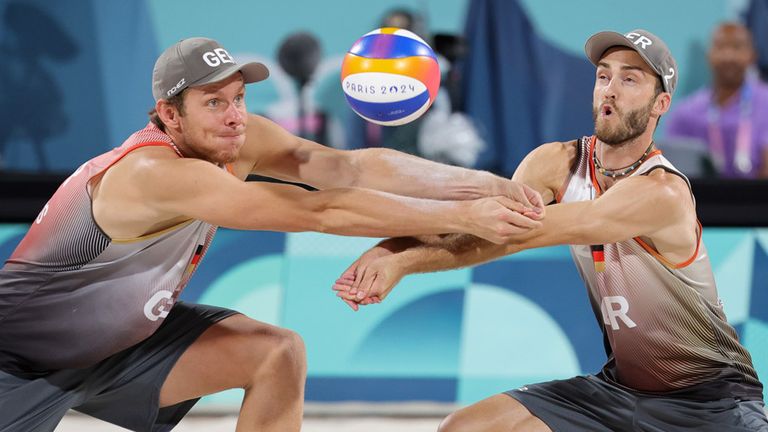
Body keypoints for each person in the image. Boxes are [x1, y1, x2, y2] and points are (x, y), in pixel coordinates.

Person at [0, 37, 545, 432]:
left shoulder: (235, 138)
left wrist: (483, 184)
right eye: (214, 102)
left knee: (275, 353)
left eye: (239, 97)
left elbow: (343, 169)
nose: (236, 116)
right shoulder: (153, 173)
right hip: (16, 362)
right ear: (169, 114)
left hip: (119, 348)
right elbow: (322, 212)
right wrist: (465, 218)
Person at [334, 29, 768, 431]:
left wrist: (404, 261)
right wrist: (392, 252)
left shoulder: (662, 193)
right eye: (603, 76)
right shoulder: (556, 162)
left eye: (630, 80)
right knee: (462, 428)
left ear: (661, 104)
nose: (610, 90)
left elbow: (521, 230)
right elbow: (486, 232)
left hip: (711, 400)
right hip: (618, 390)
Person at [665, 22, 768, 179]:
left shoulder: (765, 103)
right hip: (699, 200)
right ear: (709, 55)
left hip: (758, 200)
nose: (728, 56)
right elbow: (671, 173)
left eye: (737, 47)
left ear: (752, 55)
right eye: (721, 47)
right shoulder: (685, 113)